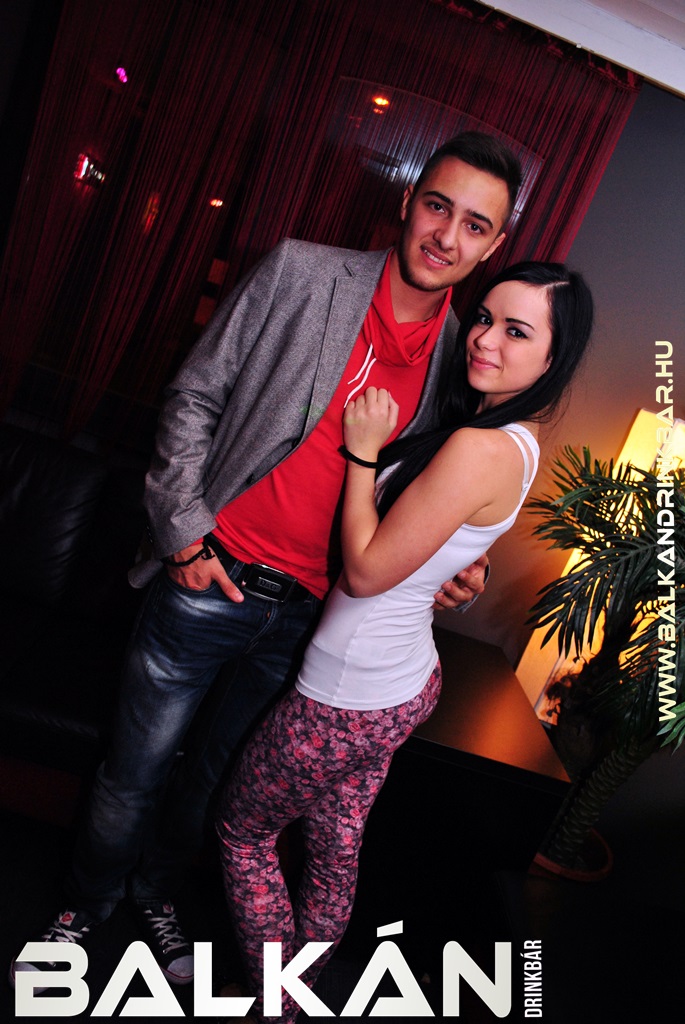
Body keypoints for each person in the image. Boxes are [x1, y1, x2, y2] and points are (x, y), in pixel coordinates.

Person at [11, 131, 521, 990]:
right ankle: (86, 902)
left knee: (213, 784)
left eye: (474, 225)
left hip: (312, 622)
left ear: (493, 245)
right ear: (407, 202)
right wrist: (182, 532)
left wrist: (450, 571)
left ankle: (155, 895)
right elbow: (194, 394)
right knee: (133, 770)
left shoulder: (460, 368)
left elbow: (428, 506)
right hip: (208, 581)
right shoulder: (301, 273)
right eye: (437, 206)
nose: (447, 236)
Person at [216, 260, 594, 1023]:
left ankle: (277, 1004)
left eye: (516, 331)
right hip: (400, 684)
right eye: (482, 318)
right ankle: (296, 1002)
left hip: (346, 693)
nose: (483, 339)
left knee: (242, 831)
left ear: (552, 358)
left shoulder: (480, 447)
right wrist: (462, 570)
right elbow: (445, 545)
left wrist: (362, 452)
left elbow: (363, 573)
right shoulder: (514, 442)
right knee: (334, 851)